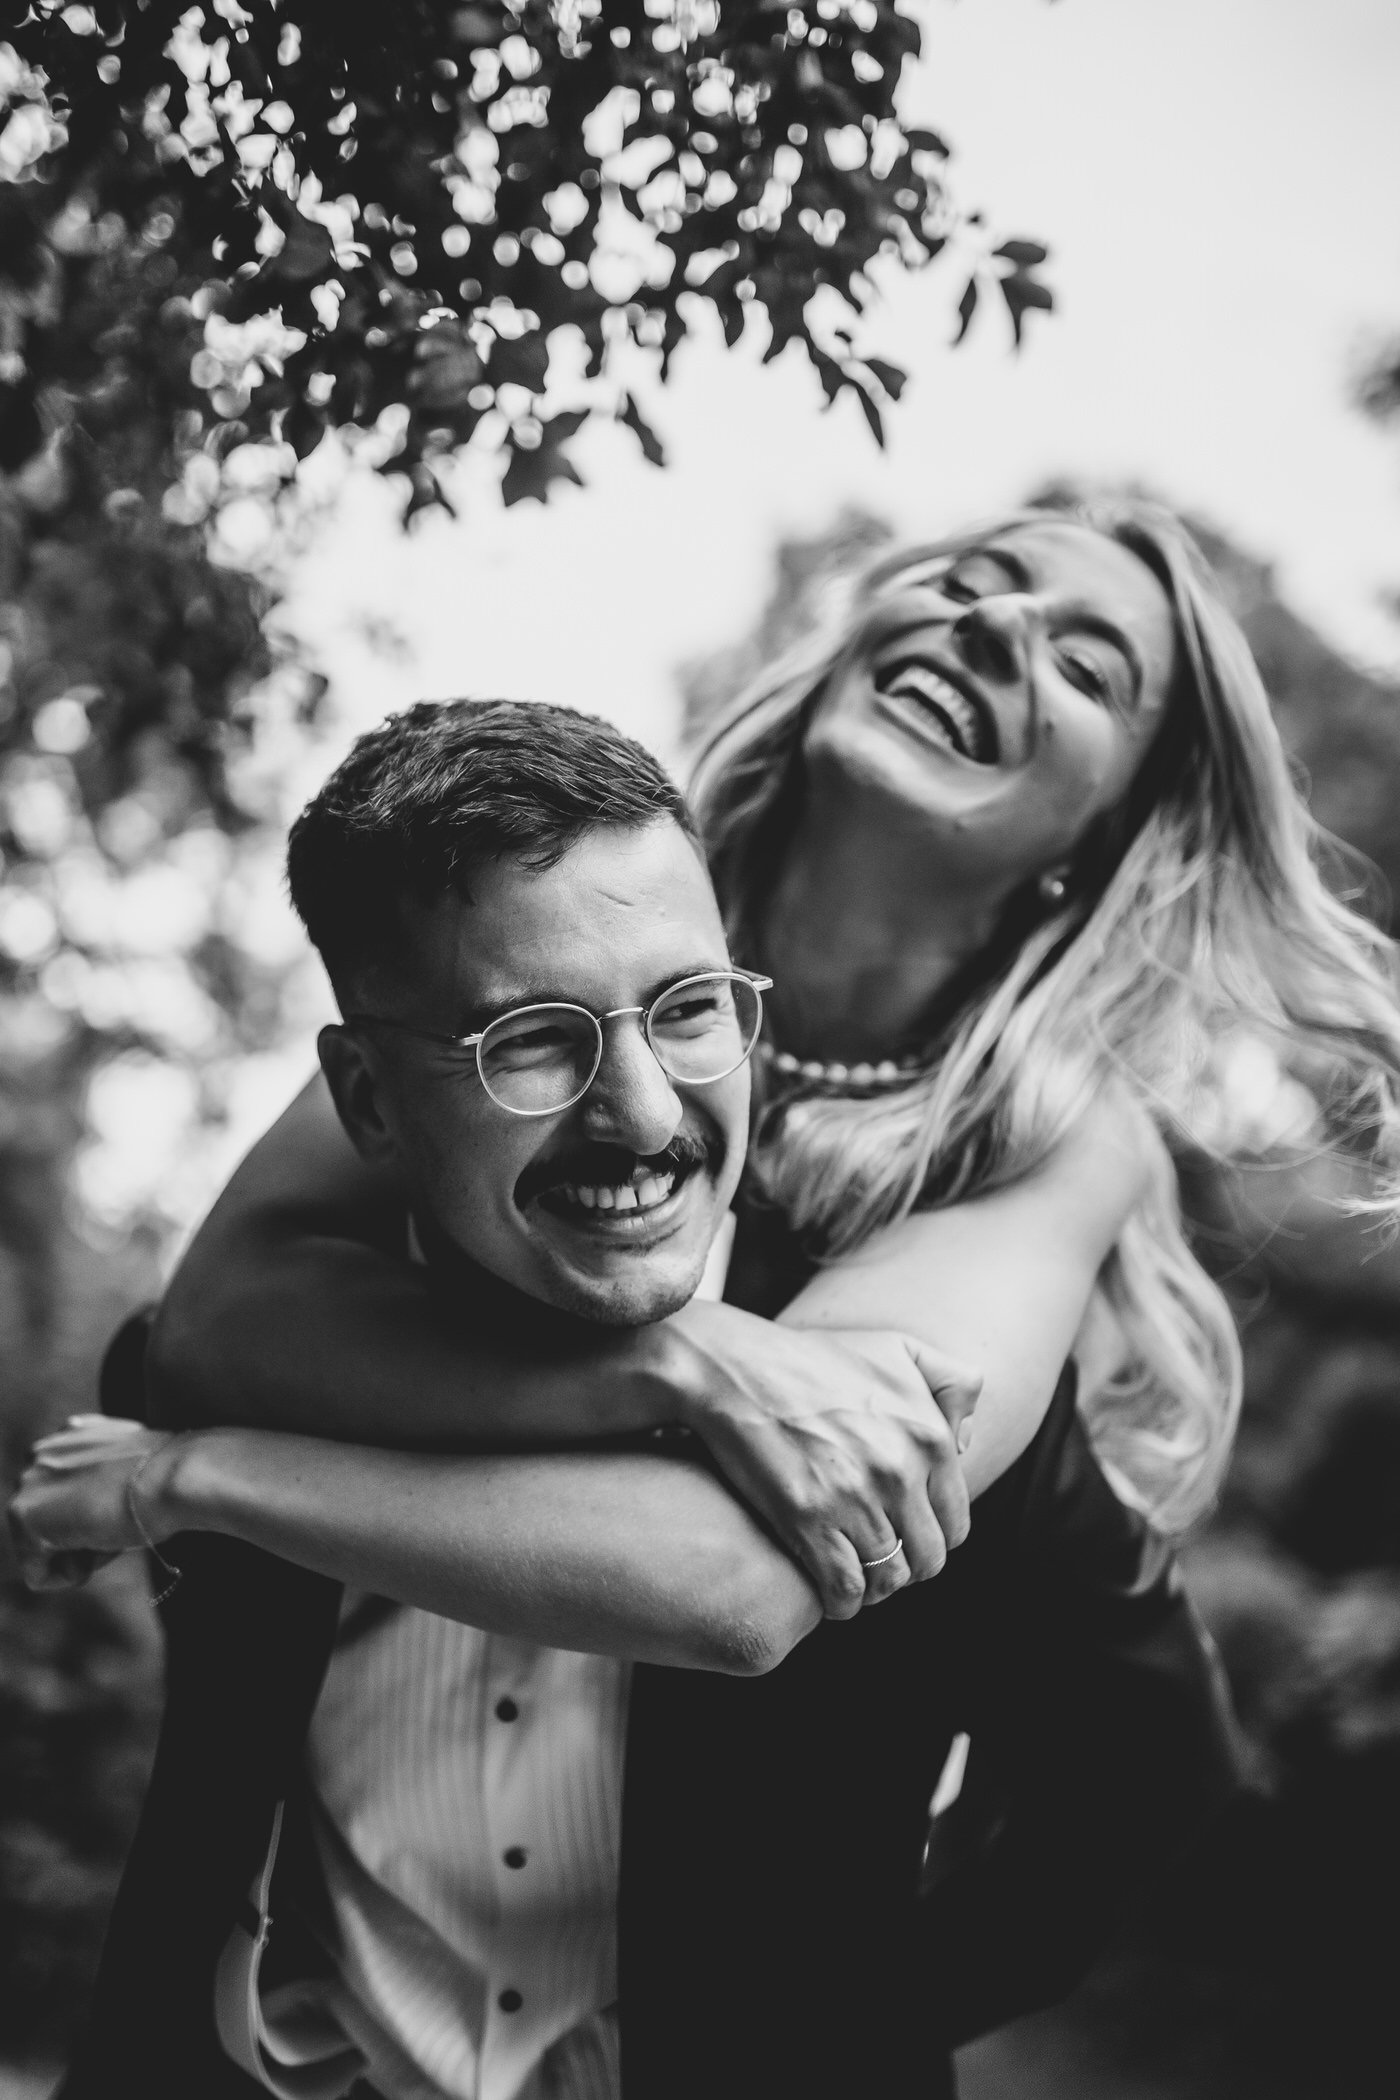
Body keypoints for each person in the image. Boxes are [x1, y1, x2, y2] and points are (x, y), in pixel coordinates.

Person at [14, 694, 1238, 2100]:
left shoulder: (920, 1396)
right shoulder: (209, 1373)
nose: (647, 1118)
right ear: (365, 1101)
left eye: (689, 1010)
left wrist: (870, 2019)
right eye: (532, 1040)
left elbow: (1155, 1765)